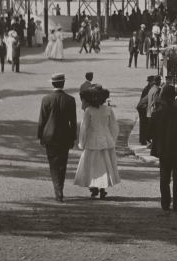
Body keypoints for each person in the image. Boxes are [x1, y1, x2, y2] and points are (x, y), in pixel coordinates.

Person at [37, 73, 78, 202]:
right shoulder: (70, 99)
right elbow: (73, 121)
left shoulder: (46, 99)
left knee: (53, 164)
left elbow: (42, 120)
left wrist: (40, 136)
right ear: (63, 83)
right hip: (65, 136)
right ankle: (60, 187)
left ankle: (58, 190)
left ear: (52, 84)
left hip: (50, 136)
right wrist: (73, 137)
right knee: (62, 164)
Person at [74, 85, 120, 199]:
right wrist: (112, 139)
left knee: (92, 164)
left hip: (92, 141)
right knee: (104, 165)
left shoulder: (89, 110)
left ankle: (94, 186)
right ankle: (102, 187)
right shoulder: (108, 109)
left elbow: (84, 128)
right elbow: (114, 127)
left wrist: (81, 142)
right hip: (106, 140)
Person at [151, 84, 177, 211]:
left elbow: (150, 133)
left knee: (164, 178)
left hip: (164, 150)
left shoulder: (157, 114)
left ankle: (165, 203)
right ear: (174, 97)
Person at [135, 76, 155, 146]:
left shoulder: (150, 88)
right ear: (150, 82)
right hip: (142, 108)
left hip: (144, 107)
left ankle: (144, 139)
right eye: (152, 81)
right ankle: (143, 140)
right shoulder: (147, 89)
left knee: (145, 124)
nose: (153, 83)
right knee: (144, 124)